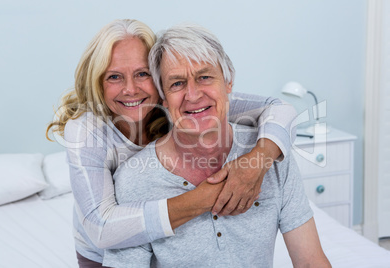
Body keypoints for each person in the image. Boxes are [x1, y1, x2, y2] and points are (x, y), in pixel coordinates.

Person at [46, 19, 298, 267]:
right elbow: (101, 229)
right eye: (114, 77)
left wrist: (255, 164)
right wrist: (212, 195)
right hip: (103, 253)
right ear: (97, 82)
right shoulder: (86, 131)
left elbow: (280, 109)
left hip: (166, 242)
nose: (130, 89)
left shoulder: (183, 103)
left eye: (142, 74)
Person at [103, 23, 331, 267]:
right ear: (164, 99)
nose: (193, 94)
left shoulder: (272, 155)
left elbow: (310, 261)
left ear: (228, 82)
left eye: (204, 77)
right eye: (177, 83)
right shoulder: (134, 180)